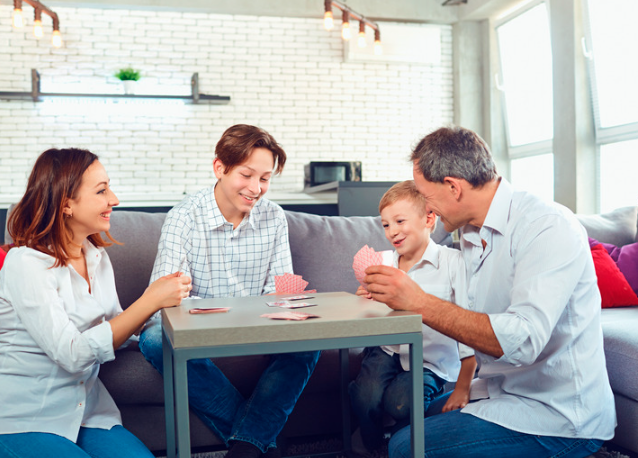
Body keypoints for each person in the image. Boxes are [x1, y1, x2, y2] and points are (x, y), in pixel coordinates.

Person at [364, 126, 616, 458]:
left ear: (453, 187)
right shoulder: (469, 233)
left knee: (404, 446)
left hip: (557, 415)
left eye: (426, 196)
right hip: (501, 391)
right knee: (406, 416)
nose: (427, 209)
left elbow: (523, 340)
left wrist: (420, 302)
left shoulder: (546, 226)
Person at [139, 124, 321, 458]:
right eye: (246, 175)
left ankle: (245, 449)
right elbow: (167, 298)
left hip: (259, 323)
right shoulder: (184, 217)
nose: (256, 188)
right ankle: (256, 442)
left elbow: (279, 289)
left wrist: (283, 309)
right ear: (220, 168)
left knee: (311, 338)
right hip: (196, 323)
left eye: (264, 178)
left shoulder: (274, 217)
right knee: (154, 339)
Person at [0, 148, 192, 458]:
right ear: (66, 204)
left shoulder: (96, 257)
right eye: (101, 190)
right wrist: (148, 300)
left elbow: (116, 328)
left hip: (89, 413)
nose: (114, 199)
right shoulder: (26, 264)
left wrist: (163, 309)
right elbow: (72, 355)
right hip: (23, 415)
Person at [349, 180, 476, 456]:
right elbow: (367, 314)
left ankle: (401, 442)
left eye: (399, 221)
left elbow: (468, 323)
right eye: (385, 225)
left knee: (400, 403)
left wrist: (464, 385)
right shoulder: (381, 262)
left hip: (430, 360)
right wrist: (364, 299)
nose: (392, 231)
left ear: (429, 218)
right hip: (386, 350)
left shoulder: (452, 263)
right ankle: (373, 446)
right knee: (364, 397)